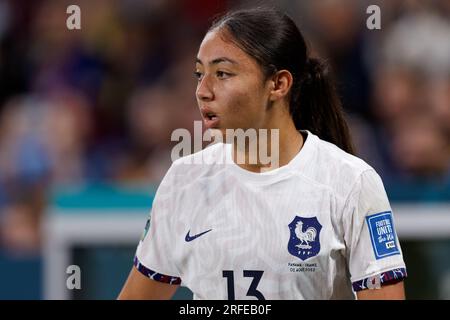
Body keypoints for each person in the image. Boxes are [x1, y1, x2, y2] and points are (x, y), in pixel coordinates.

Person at [118, 8, 407, 300]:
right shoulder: (184, 179)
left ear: (278, 84)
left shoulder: (351, 182)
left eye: (222, 73)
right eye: (199, 74)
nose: (203, 91)